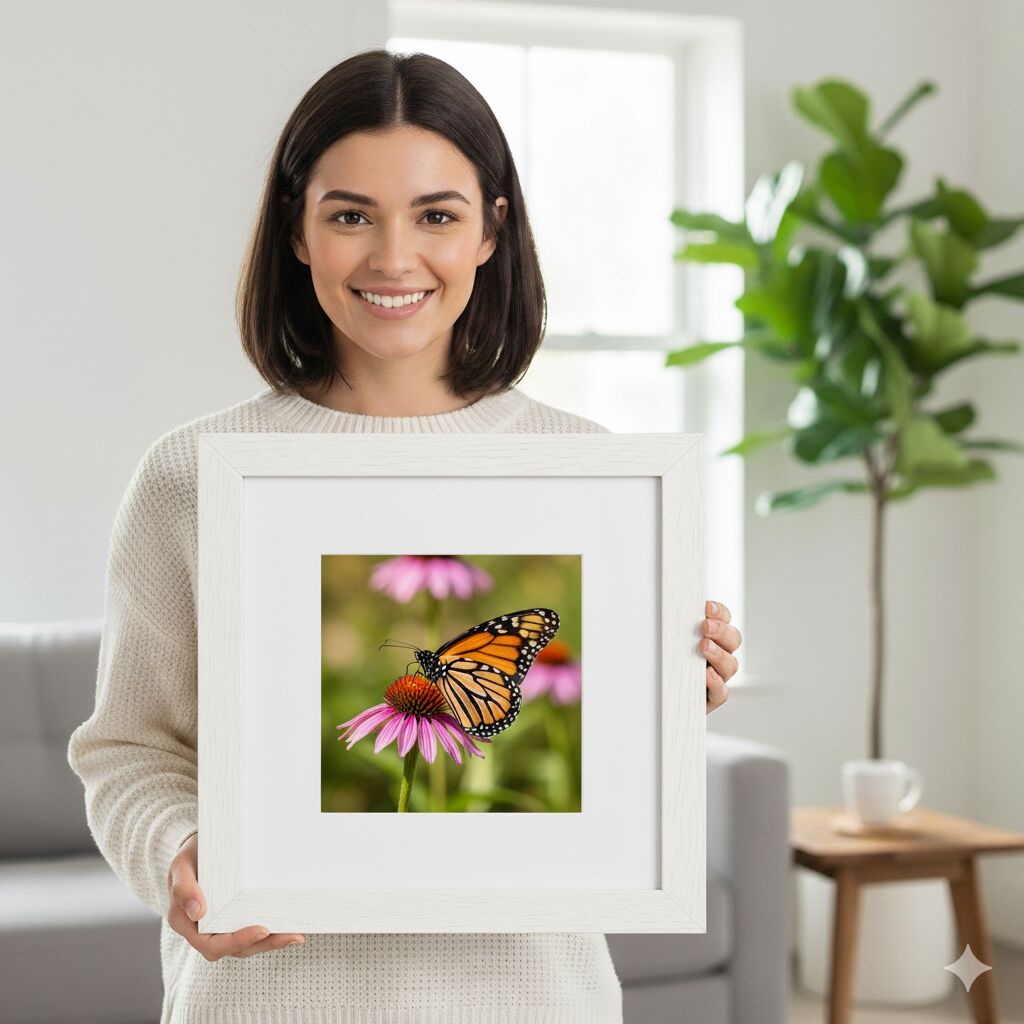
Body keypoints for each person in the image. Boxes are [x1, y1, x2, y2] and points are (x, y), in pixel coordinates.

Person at [67, 48, 742, 1024]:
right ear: (296, 231)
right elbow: (130, 747)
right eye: (350, 215)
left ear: (490, 231)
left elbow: (590, 767)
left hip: (527, 998)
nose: (393, 257)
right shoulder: (192, 472)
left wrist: (670, 690)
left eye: (436, 214)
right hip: (268, 998)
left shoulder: (590, 472)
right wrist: (177, 852)